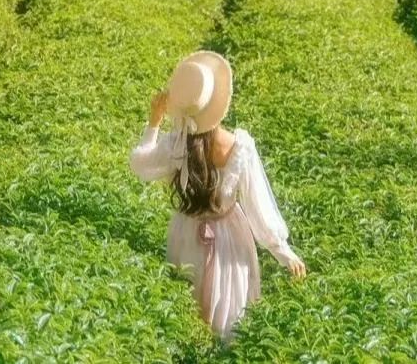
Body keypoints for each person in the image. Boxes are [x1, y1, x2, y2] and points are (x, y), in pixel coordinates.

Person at [129, 49, 306, 341]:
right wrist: (283, 252)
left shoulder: (177, 143)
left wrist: (153, 123)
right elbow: (257, 206)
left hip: (186, 235)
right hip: (230, 241)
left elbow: (141, 164)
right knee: (231, 319)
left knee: (185, 313)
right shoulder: (240, 147)